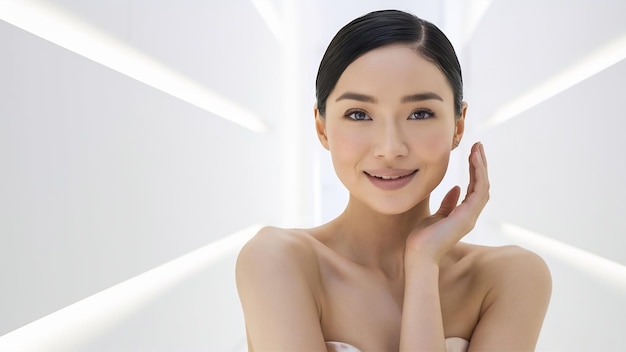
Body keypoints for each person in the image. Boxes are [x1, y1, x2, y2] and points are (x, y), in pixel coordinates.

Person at [236, 9, 551, 352]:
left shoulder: (510, 277)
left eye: (420, 113)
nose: (390, 149)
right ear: (322, 128)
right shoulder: (277, 261)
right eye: (359, 114)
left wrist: (423, 263)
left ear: (458, 126)